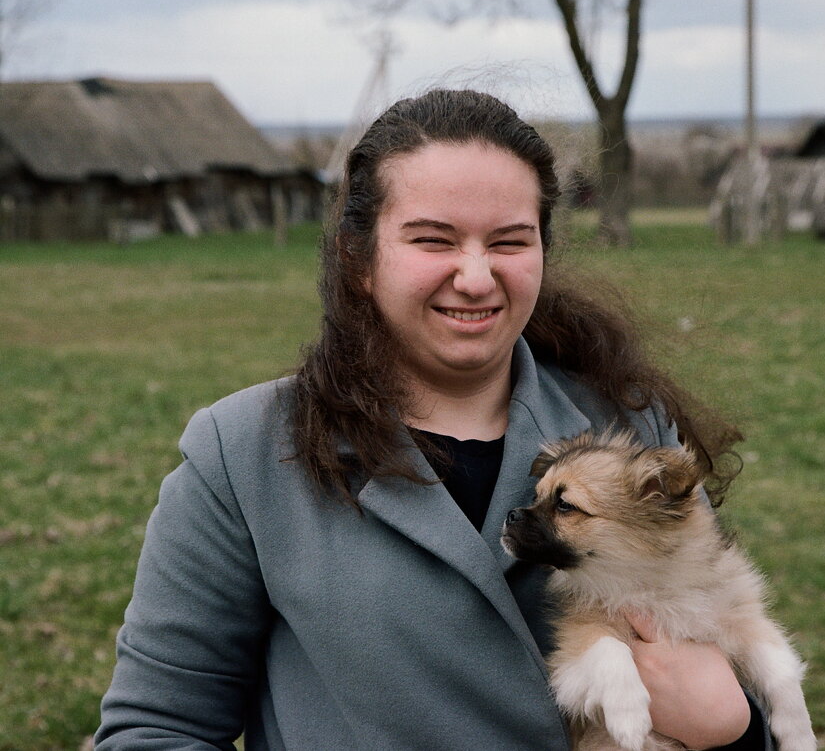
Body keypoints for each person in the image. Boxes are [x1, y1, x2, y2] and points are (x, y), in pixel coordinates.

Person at [95, 89, 771, 750]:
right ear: (360, 259)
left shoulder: (627, 429)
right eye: (433, 239)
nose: (476, 276)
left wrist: (734, 730)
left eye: (509, 240)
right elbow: (155, 729)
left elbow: (723, 672)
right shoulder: (241, 455)